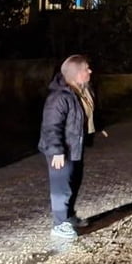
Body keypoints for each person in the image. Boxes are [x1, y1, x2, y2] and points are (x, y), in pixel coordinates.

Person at [39, 55, 98, 241]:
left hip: (74, 148)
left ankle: (68, 216)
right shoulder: (59, 97)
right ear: (75, 73)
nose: (90, 71)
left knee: (73, 183)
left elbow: (84, 115)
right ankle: (59, 225)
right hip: (61, 151)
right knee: (61, 188)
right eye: (86, 69)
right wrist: (56, 151)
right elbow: (51, 126)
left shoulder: (81, 91)